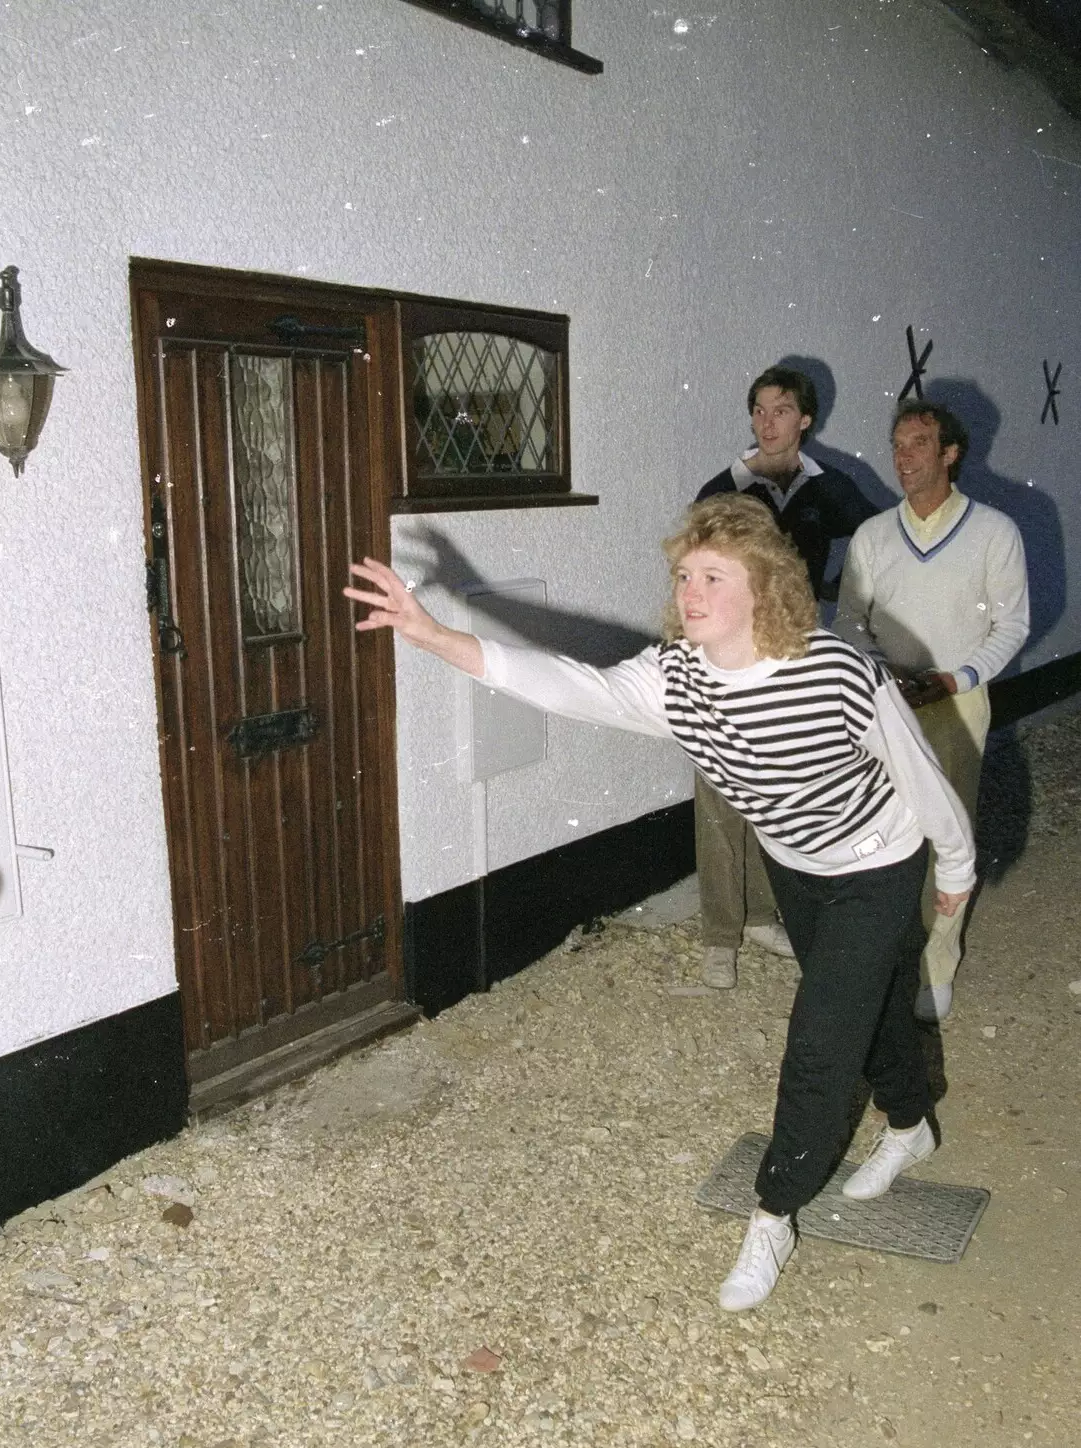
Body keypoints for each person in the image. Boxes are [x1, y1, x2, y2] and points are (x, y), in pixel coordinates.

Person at [343, 494, 975, 1313]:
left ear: (766, 589)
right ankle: (909, 1123)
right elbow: (566, 685)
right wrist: (433, 636)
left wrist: (954, 860)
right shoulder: (675, 680)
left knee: (821, 1036)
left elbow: (914, 766)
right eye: (684, 574)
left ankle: (773, 1213)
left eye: (714, 575)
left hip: (876, 861)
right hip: (794, 864)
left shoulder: (834, 669)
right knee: (870, 1000)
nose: (691, 591)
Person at [834, 400, 1029, 1022]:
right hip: (885, 700)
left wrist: (956, 676)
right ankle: (881, 958)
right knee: (880, 828)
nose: (904, 457)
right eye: (896, 444)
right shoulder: (873, 535)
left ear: (951, 454)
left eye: (919, 444)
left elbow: (1012, 624)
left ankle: (935, 964)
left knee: (947, 828)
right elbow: (849, 621)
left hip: (956, 702)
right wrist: (879, 673)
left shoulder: (994, 531)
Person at [692, 365, 879, 988]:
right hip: (724, 658)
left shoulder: (832, 488)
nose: (768, 421)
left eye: (782, 409)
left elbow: (878, 541)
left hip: (793, 654)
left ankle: (765, 916)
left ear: (805, 420)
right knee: (720, 790)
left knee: (782, 783)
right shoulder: (723, 490)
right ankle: (721, 935)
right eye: (760, 409)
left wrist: (838, 597)